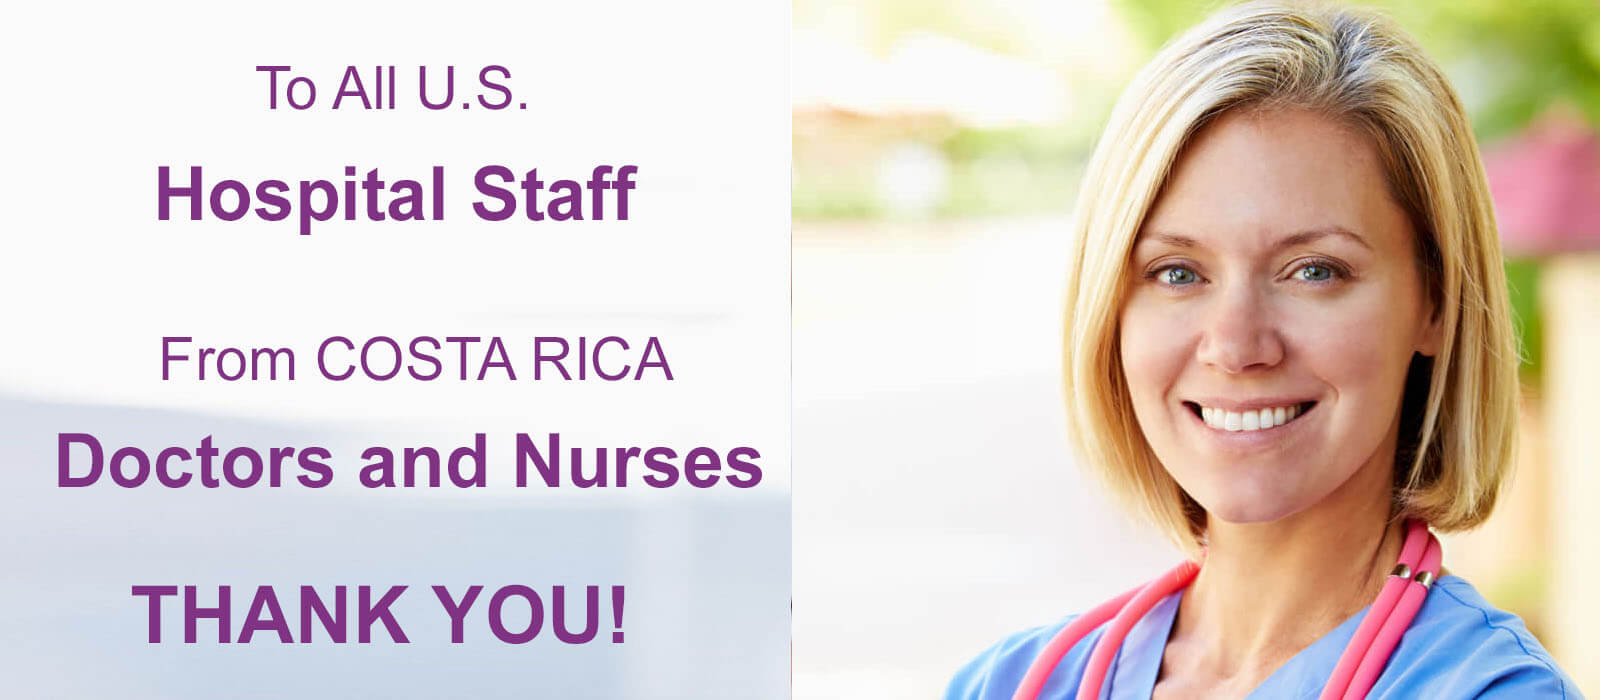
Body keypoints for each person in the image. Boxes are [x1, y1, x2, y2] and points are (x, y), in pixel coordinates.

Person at [944, 2, 1584, 699]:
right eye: (1177, 272)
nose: (1236, 346)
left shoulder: (1491, 690)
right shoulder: (1010, 683)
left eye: (1315, 270)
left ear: (1435, 302)